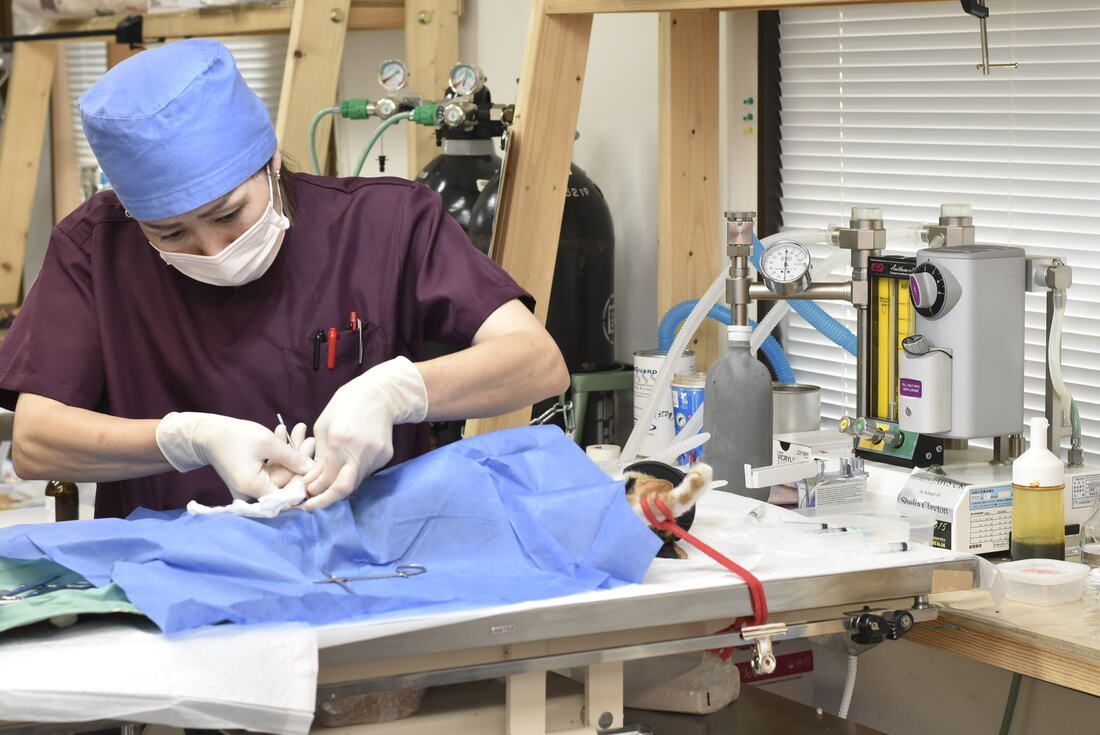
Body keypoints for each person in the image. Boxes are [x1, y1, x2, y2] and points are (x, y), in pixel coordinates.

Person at [0, 39, 569, 518]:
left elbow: (536, 361)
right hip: (173, 579)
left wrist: (394, 392)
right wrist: (186, 439)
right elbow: (34, 441)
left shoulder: (385, 224)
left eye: (228, 214)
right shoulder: (96, 247)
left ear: (270, 161)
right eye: (171, 234)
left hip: (376, 567)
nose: (213, 249)